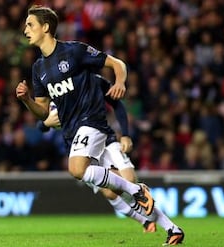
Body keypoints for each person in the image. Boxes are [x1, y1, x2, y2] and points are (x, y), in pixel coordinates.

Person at [16, 6, 184, 245]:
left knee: (76, 169)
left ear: (45, 27)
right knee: (108, 186)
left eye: (29, 25)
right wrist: (26, 100)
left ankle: (137, 191)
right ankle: (172, 229)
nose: (25, 30)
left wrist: (121, 82)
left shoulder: (74, 51)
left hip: (92, 122)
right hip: (72, 133)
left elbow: (117, 63)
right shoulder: (38, 69)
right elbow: (43, 112)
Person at [41, 75, 185, 240]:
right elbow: (42, 122)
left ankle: (153, 215)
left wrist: (125, 134)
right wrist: (45, 122)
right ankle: (166, 227)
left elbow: (116, 103)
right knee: (113, 192)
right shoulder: (56, 92)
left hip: (105, 140)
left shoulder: (91, 80)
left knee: (128, 181)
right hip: (80, 149)